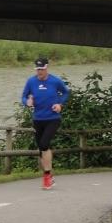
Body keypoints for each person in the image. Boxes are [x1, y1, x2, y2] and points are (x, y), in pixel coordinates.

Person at [21, 57, 70, 190]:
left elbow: (66, 92)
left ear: (46, 68)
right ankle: (49, 176)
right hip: (38, 119)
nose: (39, 72)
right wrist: (27, 102)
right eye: (37, 69)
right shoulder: (31, 81)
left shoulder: (55, 81)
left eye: (42, 69)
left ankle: (47, 176)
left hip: (53, 118)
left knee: (44, 144)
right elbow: (24, 96)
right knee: (41, 149)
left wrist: (60, 104)